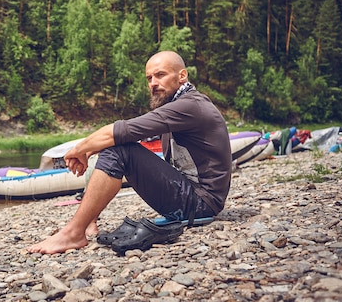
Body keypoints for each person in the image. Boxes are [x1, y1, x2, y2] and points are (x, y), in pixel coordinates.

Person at [27, 50, 232, 254]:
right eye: (149, 78)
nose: (153, 83)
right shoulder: (179, 105)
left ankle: (73, 233)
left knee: (119, 149)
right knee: (112, 146)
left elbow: (121, 131)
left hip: (201, 204)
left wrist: (80, 149)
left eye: (160, 75)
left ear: (182, 76)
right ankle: (88, 223)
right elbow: (128, 134)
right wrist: (91, 149)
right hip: (191, 196)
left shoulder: (190, 105)